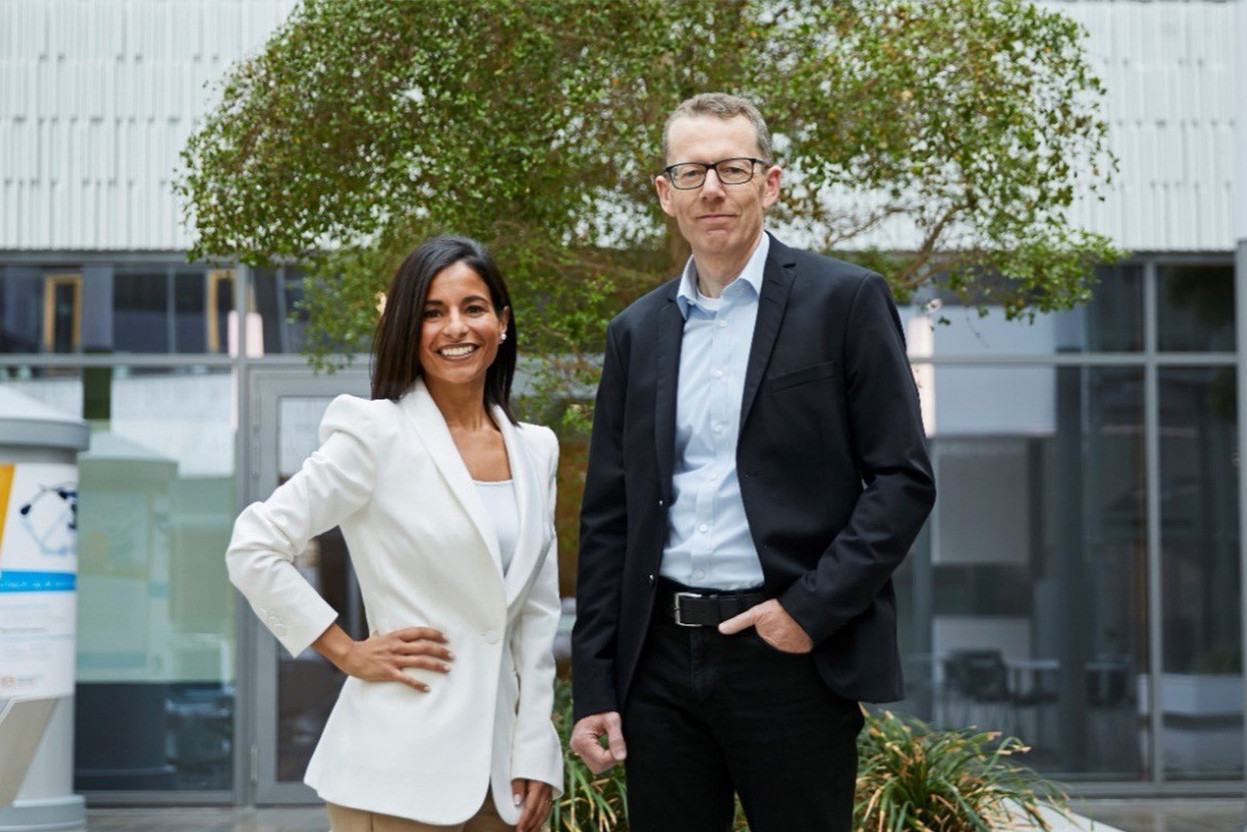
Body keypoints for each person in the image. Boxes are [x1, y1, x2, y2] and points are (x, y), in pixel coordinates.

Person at [570, 93, 936, 831]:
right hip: (660, 662)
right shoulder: (635, 332)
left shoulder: (845, 301)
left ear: (769, 184)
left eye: (732, 168)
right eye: (691, 171)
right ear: (663, 193)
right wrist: (595, 687)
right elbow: (609, 518)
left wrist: (807, 612)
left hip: (788, 657)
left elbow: (901, 479)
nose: (711, 188)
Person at [227, 235, 562, 832]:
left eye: (473, 307)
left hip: (499, 775)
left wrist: (536, 749)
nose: (455, 327)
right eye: (432, 312)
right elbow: (254, 545)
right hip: (393, 771)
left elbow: (535, 618)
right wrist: (346, 651)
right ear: (409, 327)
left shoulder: (535, 450)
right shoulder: (375, 433)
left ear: (503, 322)